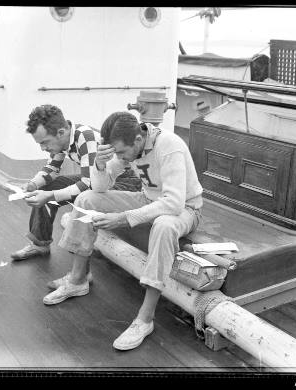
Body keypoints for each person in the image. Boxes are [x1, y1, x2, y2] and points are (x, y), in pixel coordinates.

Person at [43, 111, 204, 351]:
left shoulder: (169, 146)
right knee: (87, 198)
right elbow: (99, 187)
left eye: (120, 153)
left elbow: (174, 203)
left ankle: (145, 319)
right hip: (147, 199)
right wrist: (99, 164)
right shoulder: (130, 143)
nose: (119, 157)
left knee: (163, 225)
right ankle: (78, 280)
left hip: (186, 208)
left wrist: (124, 218)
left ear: (138, 141)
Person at [11, 105, 141, 272]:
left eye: (44, 142)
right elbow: (53, 168)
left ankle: (80, 274)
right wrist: (33, 184)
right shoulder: (63, 140)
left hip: (122, 182)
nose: (43, 148)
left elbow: (89, 184)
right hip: (97, 179)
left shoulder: (85, 137)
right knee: (48, 186)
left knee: (59, 194)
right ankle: (39, 243)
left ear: (61, 132)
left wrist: (50, 195)